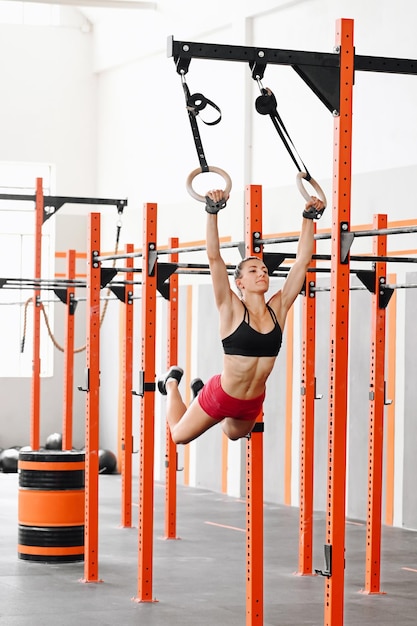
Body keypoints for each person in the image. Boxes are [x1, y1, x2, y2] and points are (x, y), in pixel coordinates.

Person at [158, 188, 325, 444]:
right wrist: (212, 212)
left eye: (264, 270)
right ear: (239, 283)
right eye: (253, 271)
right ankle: (171, 383)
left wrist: (308, 217)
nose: (262, 273)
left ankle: (197, 395)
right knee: (179, 436)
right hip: (222, 394)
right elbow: (214, 258)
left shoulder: (278, 309)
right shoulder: (230, 307)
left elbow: (302, 260)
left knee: (234, 434)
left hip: (252, 400)